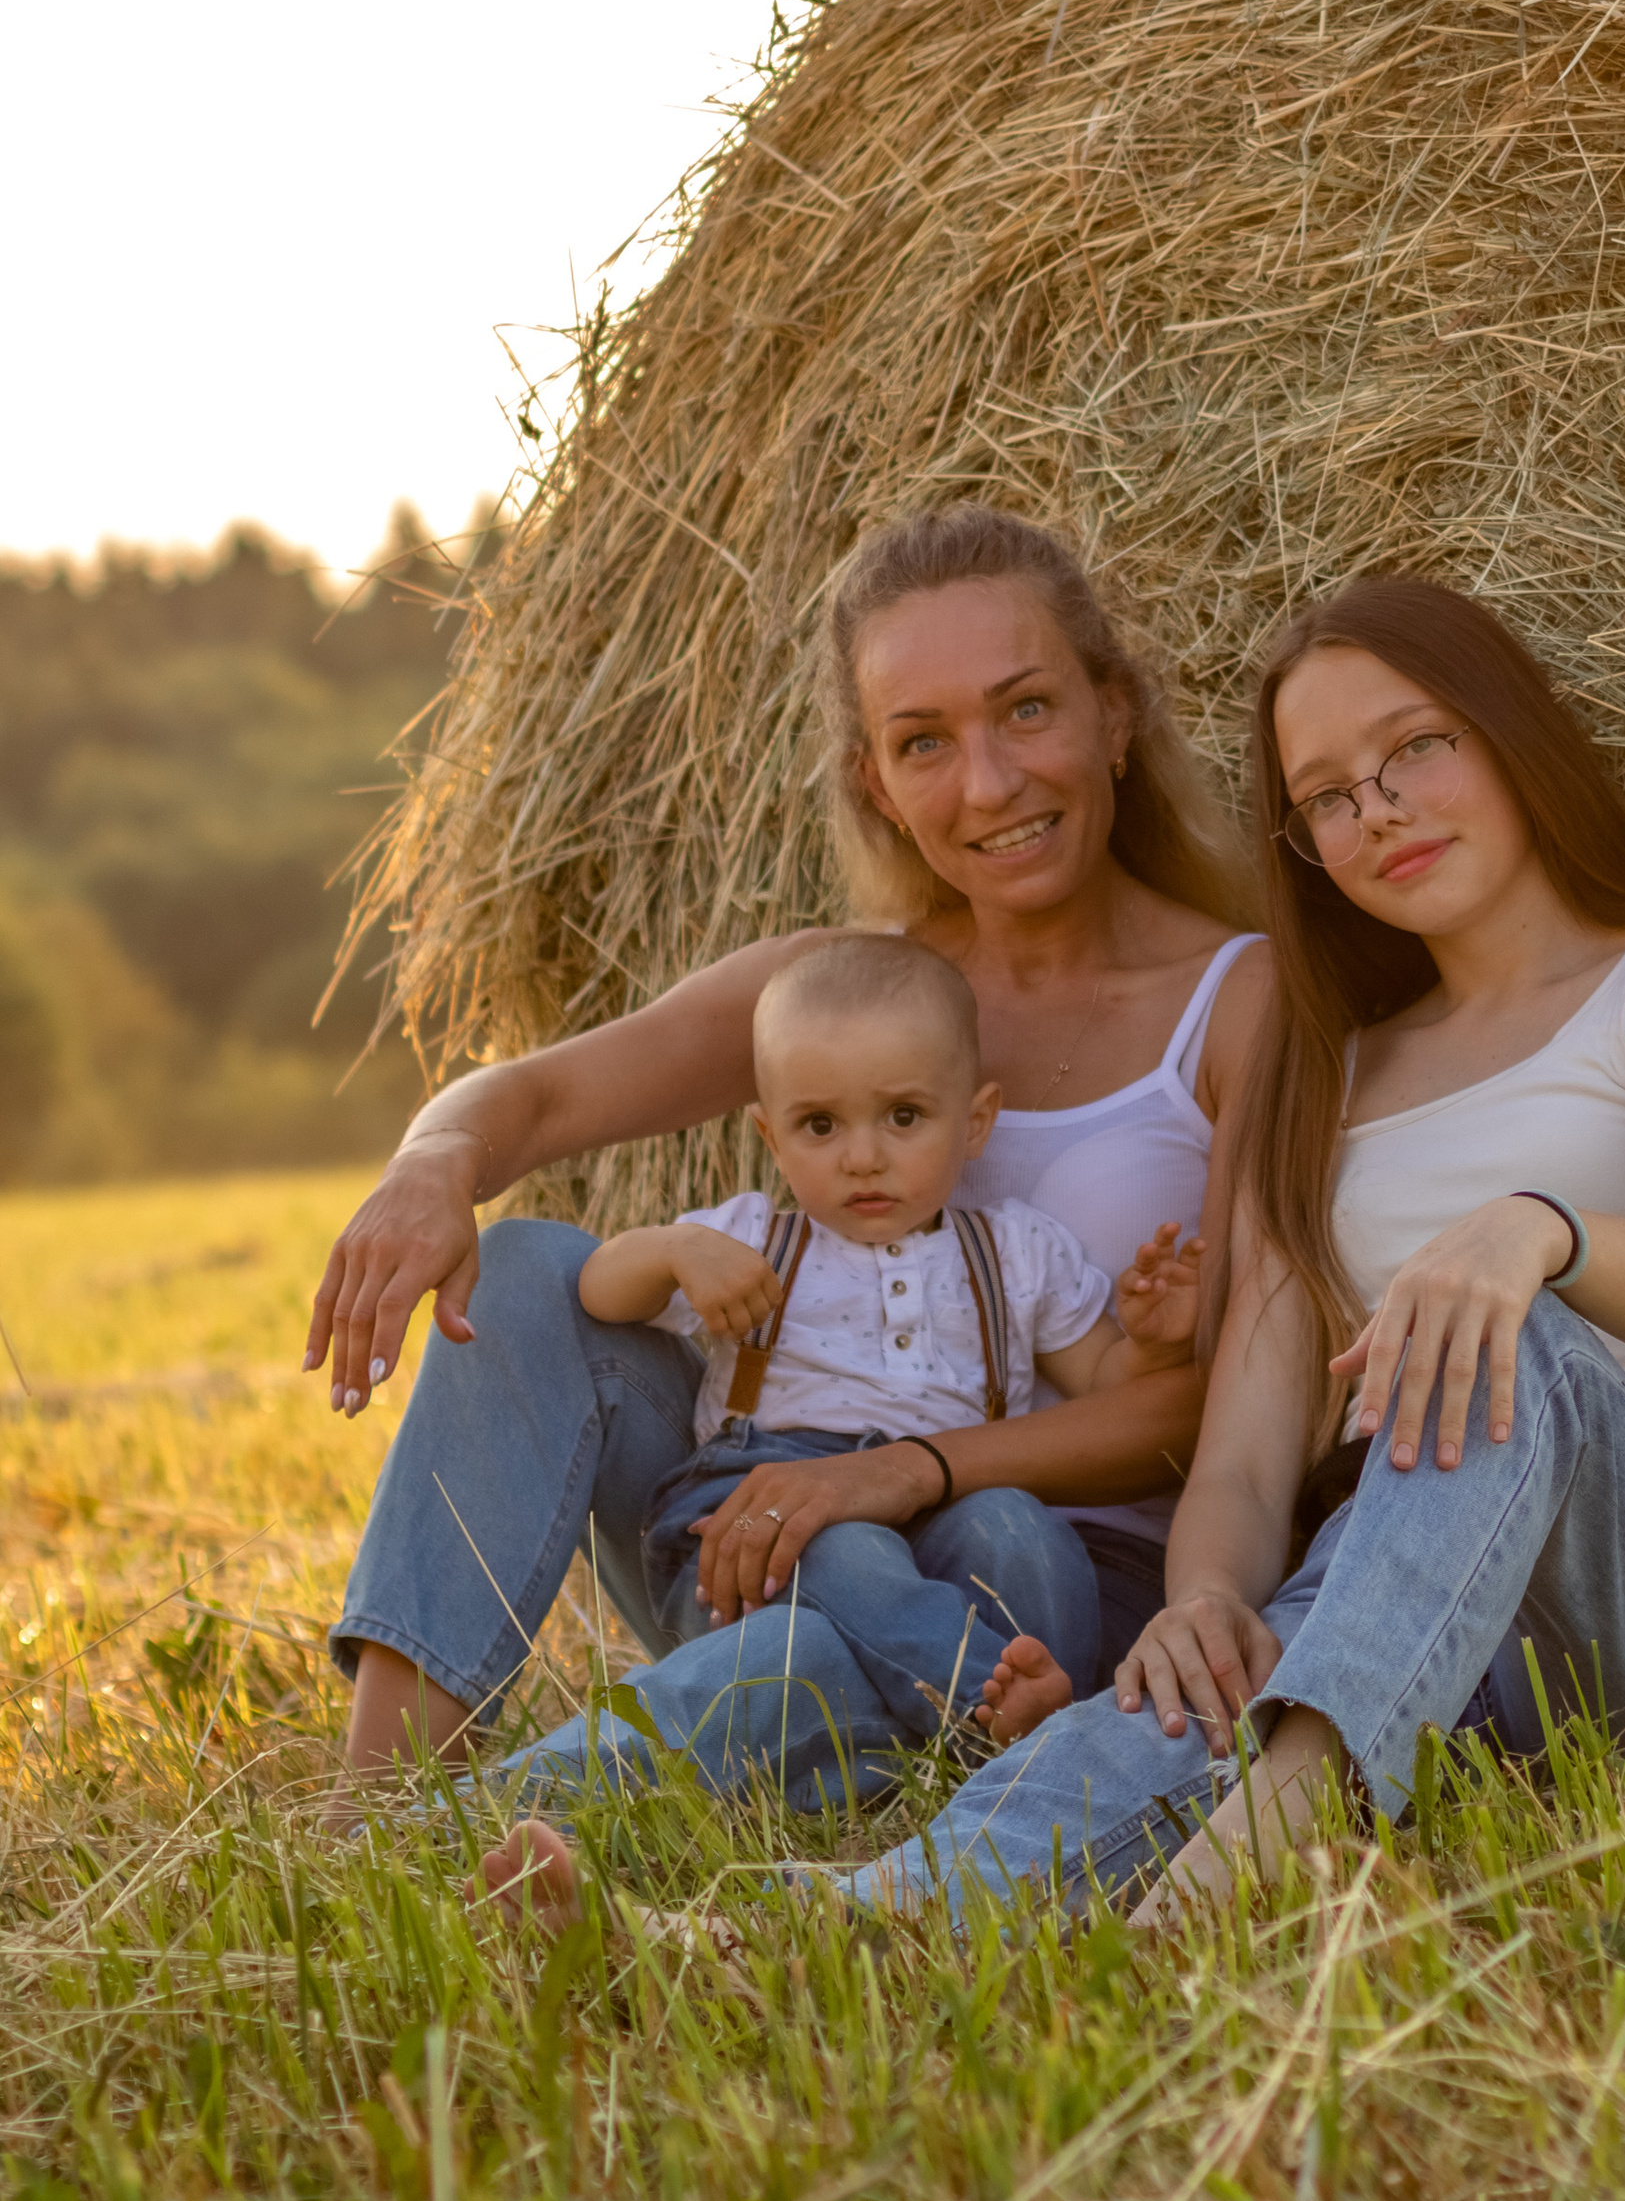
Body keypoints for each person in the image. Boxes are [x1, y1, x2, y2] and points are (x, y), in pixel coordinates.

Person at [832, 571, 1625, 1925]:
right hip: (1398, 1598)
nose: (1381, 813)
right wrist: (1208, 1600)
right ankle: (833, 1922)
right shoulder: (1329, 1072)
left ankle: (1269, 1830)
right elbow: (1245, 1444)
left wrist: (1534, 1237)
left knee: (1500, 1338)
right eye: (1330, 798)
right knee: (1192, 1689)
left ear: (1507, 730)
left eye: (1416, 747)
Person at [308, 505, 1269, 1807]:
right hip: (772, 1542)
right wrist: (428, 1168)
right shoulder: (839, 1001)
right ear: (874, 778)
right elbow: (520, 1104)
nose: (986, 784)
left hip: (1049, 1588)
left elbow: (1224, 1398)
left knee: (847, 1646)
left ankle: (516, 1820)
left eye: (1027, 710)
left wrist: (894, 1477)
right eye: (923, 742)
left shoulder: (1240, 1001)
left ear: (1115, 714)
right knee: (531, 1269)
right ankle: (374, 1795)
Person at [469, 933, 1182, 1890]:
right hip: (760, 1516)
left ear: (976, 1123)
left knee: (1019, 1525)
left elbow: (1105, 1381)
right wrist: (675, 1249)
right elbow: (598, 1294)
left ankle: (978, 1732)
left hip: (941, 1511)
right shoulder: (756, 1238)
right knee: (848, 1548)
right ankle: (999, 1708)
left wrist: (1152, 1339)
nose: (863, 1156)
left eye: (902, 1116)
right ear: (769, 1137)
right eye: (819, 1126)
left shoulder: (1014, 1253)